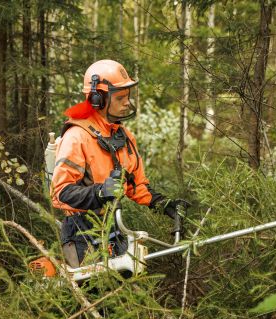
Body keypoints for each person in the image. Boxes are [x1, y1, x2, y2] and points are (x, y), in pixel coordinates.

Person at [51, 59, 188, 267]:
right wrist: (98, 193)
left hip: (114, 227)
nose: (127, 102)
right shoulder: (77, 136)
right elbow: (59, 193)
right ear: (98, 98)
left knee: (126, 283)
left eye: (128, 96)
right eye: (121, 97)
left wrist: (164, 204)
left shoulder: (122, 137)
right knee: (92, 292)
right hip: (81, 233)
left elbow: (136, 185)